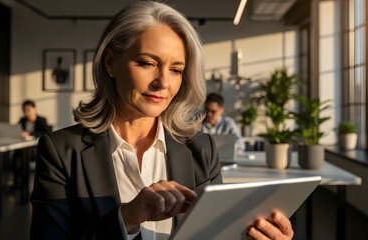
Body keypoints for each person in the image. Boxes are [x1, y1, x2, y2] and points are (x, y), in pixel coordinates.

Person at [30, 2, 294, 240]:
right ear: (111, 62)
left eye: (176, 70)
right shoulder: (61, 151)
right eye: (147, 63)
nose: (163, 83)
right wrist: (127, 218)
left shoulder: (201, 150)